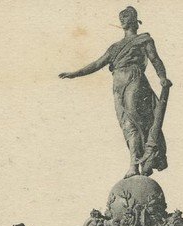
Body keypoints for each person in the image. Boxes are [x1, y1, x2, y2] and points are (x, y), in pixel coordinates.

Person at [60, 6, 171, 178]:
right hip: (117, 84)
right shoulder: (115, 47)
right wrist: (75, 74)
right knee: (127, 126)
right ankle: (134, 165)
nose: (123, 19)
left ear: (135, 20)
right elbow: (97, 64)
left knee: (138, 118)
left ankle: (149, 156)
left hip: (135, 79)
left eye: (126, 16)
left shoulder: (144, 39)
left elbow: (155, 59)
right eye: (121, 17)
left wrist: (162, 76)